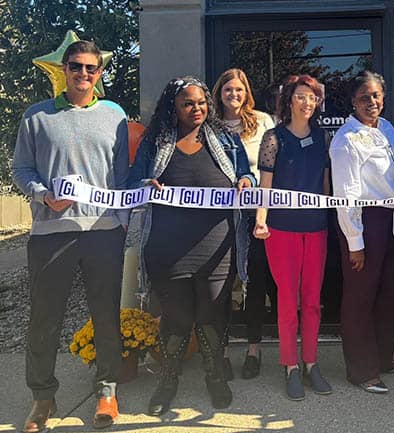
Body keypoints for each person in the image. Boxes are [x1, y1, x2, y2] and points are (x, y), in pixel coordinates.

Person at [12, 40, 129, 432]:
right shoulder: (36, 116)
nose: (83, 74)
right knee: (45, 318)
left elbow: (122, 176)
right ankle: (42, 396)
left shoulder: (115, 115)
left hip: (103, 232)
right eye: (76, 67)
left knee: (106, 315)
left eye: (91, 68)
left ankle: (107, 390)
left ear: (99, 73)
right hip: (50, 232)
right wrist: (43, 195)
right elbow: (22, 170)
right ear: (64, 69)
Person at [128, 76, 256, 415]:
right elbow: (131, 183)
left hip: (217, 248)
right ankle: (168, 380)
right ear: (174, 106)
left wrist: (245, 180)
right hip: (168, 249)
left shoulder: (226, 138)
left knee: (212, 316)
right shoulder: (155, 141)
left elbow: (247, 174)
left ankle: (215, 378)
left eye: (201, 102)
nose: (196, 108)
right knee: (177, 318)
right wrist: (145, 184)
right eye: (188, 103)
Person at [330, 70, 394, 394]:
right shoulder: (346, 140)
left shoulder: (388, 128)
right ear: (353, 101)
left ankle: (384, 357)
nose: (371, 102)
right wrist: (355, 242)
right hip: (366, 222)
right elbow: (346, 195)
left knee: (391, 294)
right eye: (364, 97)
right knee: (360, 298)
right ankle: (362, 370)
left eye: (376, 95)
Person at [253, 74, 333, 401]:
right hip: (282, 230)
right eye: (300, 96)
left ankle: (311, 362)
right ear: (289, 101)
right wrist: (261, 221)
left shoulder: (323, 137)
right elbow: (265, 186)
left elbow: (326, 184)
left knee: (312, 300)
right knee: (288, 300)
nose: (307, 102)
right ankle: (290, 366)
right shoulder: (274, 138)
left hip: (316, 227)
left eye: (312, 97)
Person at [211, 68, 277, 380]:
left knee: (256, 283)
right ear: (219, 93)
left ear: (246, 92)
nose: (233, 95)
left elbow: (273, 164)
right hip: (220, 217)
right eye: (227, 90)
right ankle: (221, 352)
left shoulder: (263, 121)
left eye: (238, 90)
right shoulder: (209, 125)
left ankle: (253, 347)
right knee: (222, 285)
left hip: (256, 214)